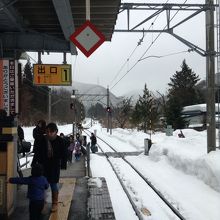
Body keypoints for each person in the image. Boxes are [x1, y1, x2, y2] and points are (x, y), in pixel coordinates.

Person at [32, 122, 67, 212]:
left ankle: (54, 203)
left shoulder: (60, 140)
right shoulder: (42, 139)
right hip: (43, 165)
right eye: (48, 131)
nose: (49, 133)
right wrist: (34, 163)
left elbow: (64, 153)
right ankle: (41, 202)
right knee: (41, 184)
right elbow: (37, 152)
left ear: (56, 131)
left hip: (54, 166)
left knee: (53, 184)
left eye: (52, 131)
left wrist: (63, 164)